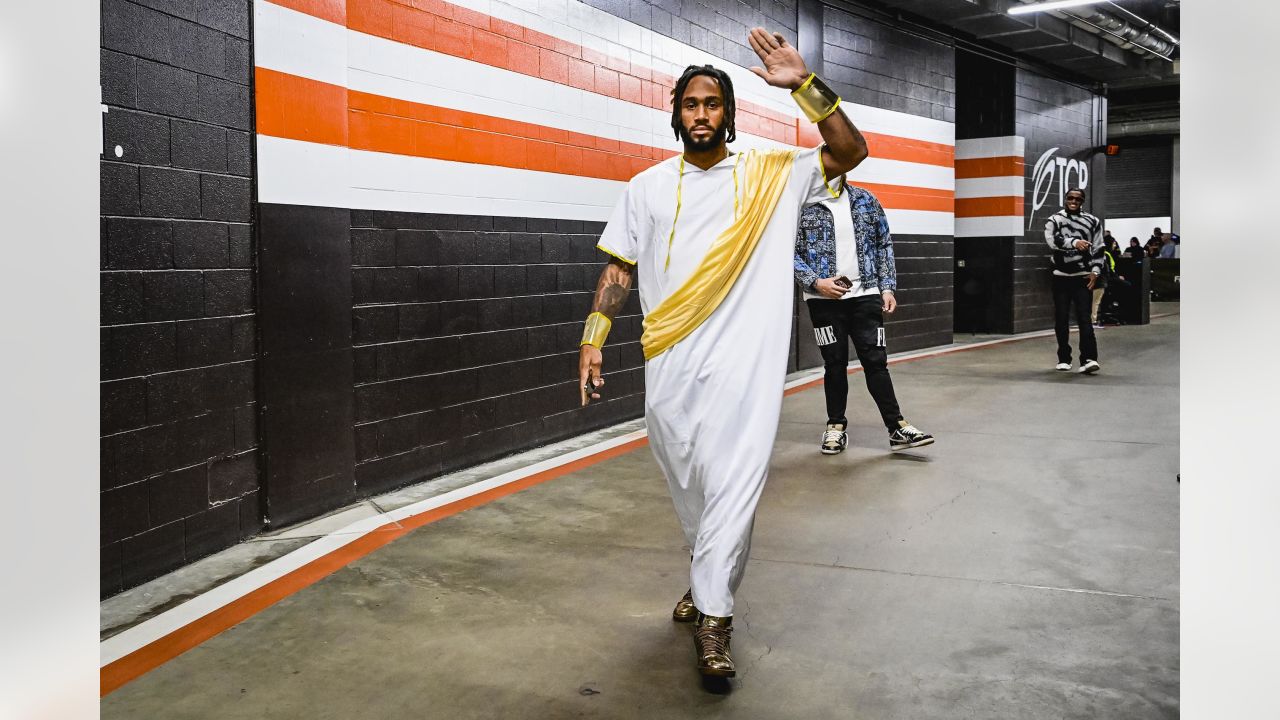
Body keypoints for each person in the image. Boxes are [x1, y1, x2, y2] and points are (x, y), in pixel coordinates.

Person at [576, 28, 868, 681]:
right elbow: (619, 271)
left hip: (745, 369)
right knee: (691, 487)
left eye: (712, 104)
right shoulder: (645, 187)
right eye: (691, 104)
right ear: (676, 113)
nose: (701, 115)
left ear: (728, 115)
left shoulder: (773, 173)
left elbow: (851, 149)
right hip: (671, 365)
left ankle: (715, 621)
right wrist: (593, 339)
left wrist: (805, 86)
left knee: (734, 486)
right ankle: (706, 574)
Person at [792, 183, 934, 454]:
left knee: (876, 362)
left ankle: (897, 427)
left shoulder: (865, 199)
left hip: (866, 295)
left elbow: (883, 244)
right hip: (823, 300)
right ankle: (835, 428)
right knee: (834, 364)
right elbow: (787, 250)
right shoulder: (803, 202)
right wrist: (815, 282)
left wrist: (887, 286)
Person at [1044, 187, 1103, 374]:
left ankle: (1089, 359)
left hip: (1082, 277)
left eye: (1078, 199)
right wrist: (1074, 243)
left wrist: (1095, 271)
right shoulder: (1055, 220)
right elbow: (1052, 241)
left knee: (1084, 318)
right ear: (1065, 199)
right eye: (1070, 198)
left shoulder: (1093, 221)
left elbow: (1099, 247)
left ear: (1082, 201)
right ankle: (1064, 358)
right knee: (1061, 319)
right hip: (1060, 278)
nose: (1074, 201)